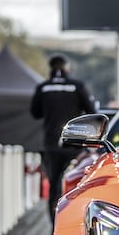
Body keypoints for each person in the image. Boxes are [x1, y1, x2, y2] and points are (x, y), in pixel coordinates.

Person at [30, 54, 97, 222]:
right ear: (66, 68)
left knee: (54, 186)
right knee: (76, 184)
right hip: (74, 144)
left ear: (51, 68)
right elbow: (91, 111)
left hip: (52, 145)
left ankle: (55, 225)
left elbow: (35, 112)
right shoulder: (77, 86)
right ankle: (74, 220)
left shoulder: (43, 87)